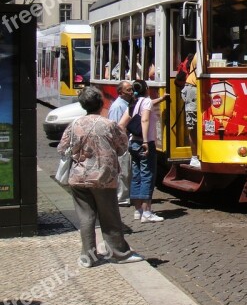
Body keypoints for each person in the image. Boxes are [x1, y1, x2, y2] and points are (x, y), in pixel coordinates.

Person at [57, 86, 144, 266]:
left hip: (78, 178)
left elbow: (62, 148)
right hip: (103, 178)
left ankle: (87, 256)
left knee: (86, 217)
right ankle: (119, 253)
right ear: (100, 104)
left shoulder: (74, 124)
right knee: (109, 216)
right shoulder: (109, 125)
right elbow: (122, 148)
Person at [120, 79, 168, 222]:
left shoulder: (133, 103)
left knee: (136, 175)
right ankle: (147, 212)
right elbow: (145, 120)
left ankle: (138, 211)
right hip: (144, 143)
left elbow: (121, 124)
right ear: (146, 89)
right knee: (147, 176)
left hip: (132, 143)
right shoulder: (145, 102)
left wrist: (161, 99)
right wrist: (146, 141)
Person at [108, 80, 135, 207]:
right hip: (121, 143)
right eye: (128, 90)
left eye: (132, 89)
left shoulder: (126, 103)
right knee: (123, 171)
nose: (131, 92)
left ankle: (124, 196)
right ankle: (121, 198)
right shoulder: (119, 106)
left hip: (125, 141)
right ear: (120, 92)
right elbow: (116, 126)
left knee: (126, 171)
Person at [180, 55, 201, 168]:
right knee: (193, 125)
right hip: (193, 89)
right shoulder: (201, 53)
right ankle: (194, 157)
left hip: (198, 87)